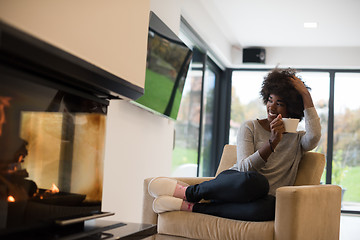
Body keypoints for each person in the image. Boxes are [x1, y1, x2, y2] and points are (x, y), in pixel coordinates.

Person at [148, 68, 321, 221]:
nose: (271, 107)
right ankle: (188, 193)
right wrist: (272, 143)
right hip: (236, 184)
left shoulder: (297, 140)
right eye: (270, 100)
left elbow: (314, 136)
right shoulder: (250, 127)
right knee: (258, 183)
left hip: (258, 201)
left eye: (280, 103)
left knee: (270, 207)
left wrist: (305, 94)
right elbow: (245, 169)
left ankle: (192, 207)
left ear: (291, 109)